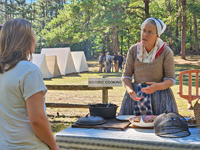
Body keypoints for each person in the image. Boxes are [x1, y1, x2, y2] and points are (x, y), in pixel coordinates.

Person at [0, 18, 60, 150]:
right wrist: (54, 145)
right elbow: (37, 120)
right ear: (24, 39)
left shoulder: (3, 70)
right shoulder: (28, 70)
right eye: (32, 34)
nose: (35, 39)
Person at [119, 18, 178, 116]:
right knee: (133, 127)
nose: (145, 34)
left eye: (150, 32)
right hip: (135, 96)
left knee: (160, 127)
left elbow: (170, 79)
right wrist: (130, 91)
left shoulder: (165, 51)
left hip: (160, 98)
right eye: (144, 30)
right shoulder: (134, 50)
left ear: (157, 36)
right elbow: (126, 76)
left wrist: (157, 87)